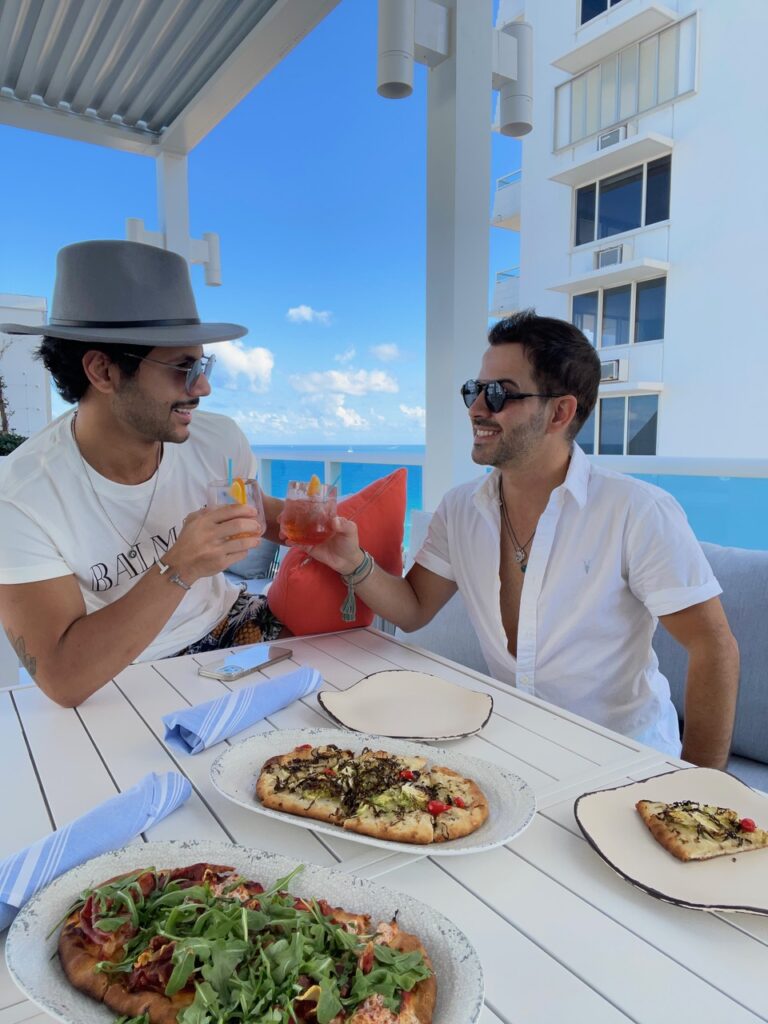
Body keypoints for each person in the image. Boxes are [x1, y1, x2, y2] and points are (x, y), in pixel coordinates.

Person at [307, 310, 739, 768]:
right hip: (516, 748)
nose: (476, 408)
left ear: (560, 411)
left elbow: (713, 647)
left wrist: (700, 789)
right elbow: (413, 608)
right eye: (474, 391)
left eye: (498, 394)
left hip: (622, 761)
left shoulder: (636, 510)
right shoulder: (460, 509)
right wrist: (351, 560)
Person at [0, 240, 286, 708]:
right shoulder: (21, 498)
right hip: (118, 674)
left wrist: (320, 529)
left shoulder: (217, 440)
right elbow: (62, 679)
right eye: (182, 367)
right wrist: (179, 567)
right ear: (103, 371)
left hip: (230, 625)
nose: (203, 387)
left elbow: (259, 512)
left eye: (203, 364)